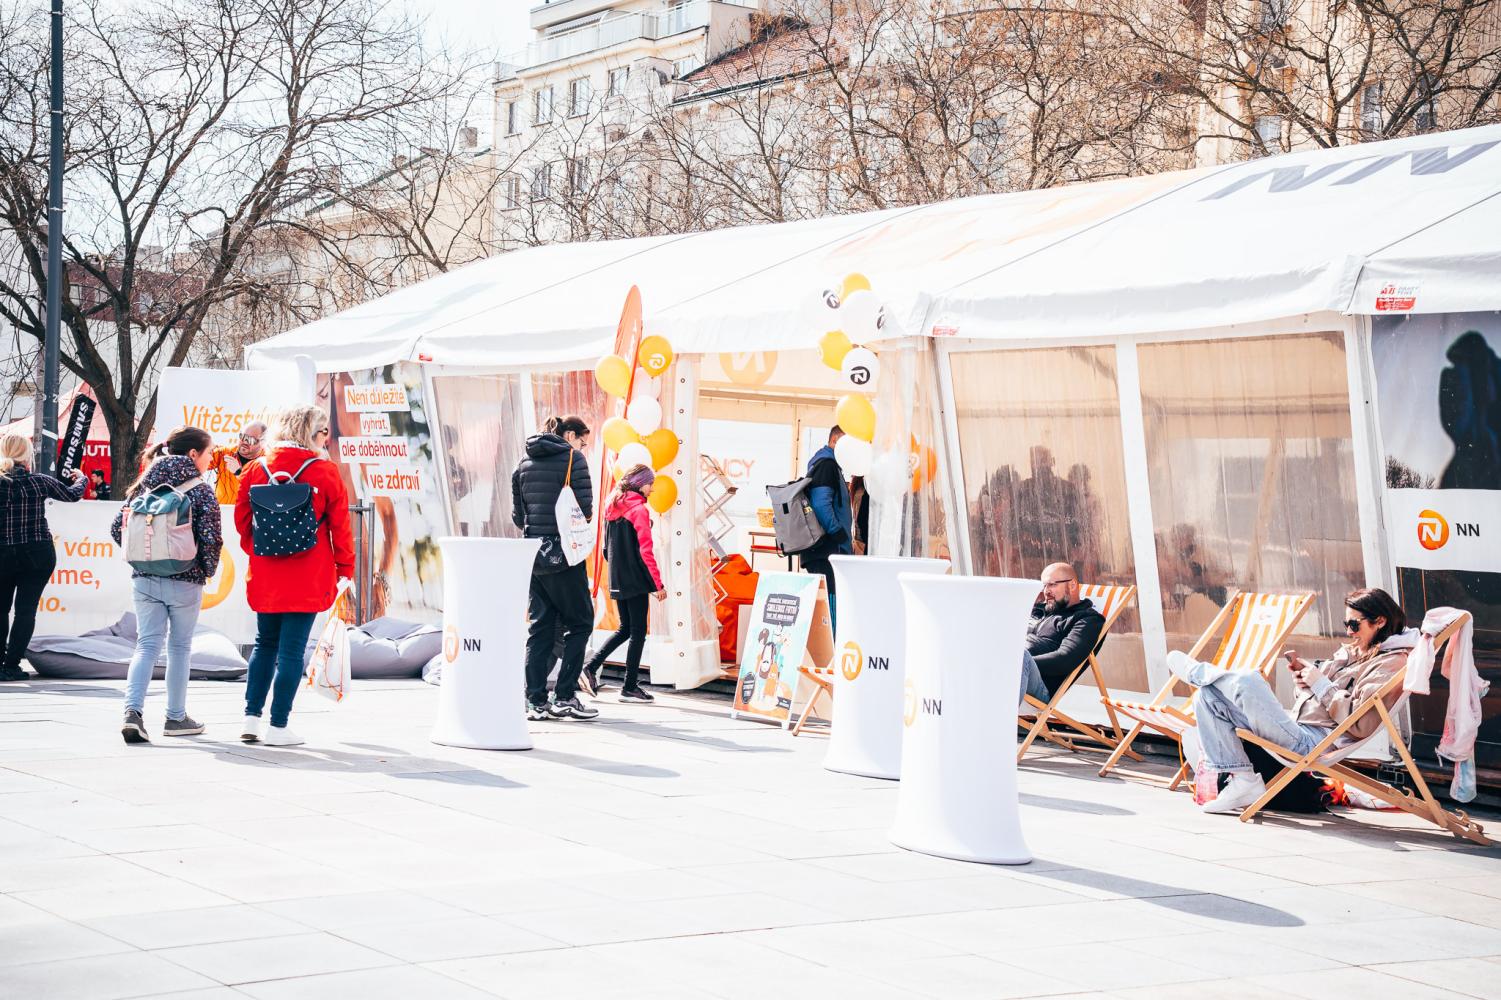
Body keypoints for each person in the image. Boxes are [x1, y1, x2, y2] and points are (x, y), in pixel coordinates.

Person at [1178, 587, 1414, 815]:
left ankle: (1199, 673)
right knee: (1206, 696)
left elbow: (1361, 723)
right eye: (1346, 624)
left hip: (1314, 743)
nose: (1349, 632)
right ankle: (1243, 780)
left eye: (1354, 624)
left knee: (1249, 680)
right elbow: (1320, 699)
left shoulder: (1390, 663)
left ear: (1380, 621)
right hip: (1297, 727)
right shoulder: (1354, 652)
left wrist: (1320, 684)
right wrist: (1305, 685)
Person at [234, 406, 354, 747]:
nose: (326, 439)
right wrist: (345, 570)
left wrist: (260, 550)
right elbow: (341, 528)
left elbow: (242, 521)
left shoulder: (256, 469)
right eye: (323, 432)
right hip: (309, 574)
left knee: (264, 645)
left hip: (266, 573)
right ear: (311, 434)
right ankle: (278, 726)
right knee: (291, 652)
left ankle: (250, 719)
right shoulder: (325, 472)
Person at [109, 426, 222, 743]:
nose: (211, 460)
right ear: (193, 454)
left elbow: (117, 527)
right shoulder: (200, 491)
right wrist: (205, 570)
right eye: (210, 453)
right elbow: (211, 539)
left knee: (146, 645)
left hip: (144, 579)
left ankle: (132, 713)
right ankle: (175, 717)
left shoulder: (144, 485)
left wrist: (143, 557)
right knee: (179, 647)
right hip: (185, 579)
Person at [512, 415, 599, 721]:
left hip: (533, 556)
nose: (582, 447)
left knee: (540, 628)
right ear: (570, 434)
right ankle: (564, 696)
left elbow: (518, 516)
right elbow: (585, 511)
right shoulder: (574, 459)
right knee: (581, 623)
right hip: (565, 554)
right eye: (582, 441)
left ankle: (534, 700)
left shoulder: (524, 462)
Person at [0, 434, 87, 681]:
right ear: (27, 454)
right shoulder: (40, 481)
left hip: (3, 551)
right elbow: (72, 495)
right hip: (37, 552)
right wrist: (82, 478)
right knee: (26, 610)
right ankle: (11, 666)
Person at [580, 464, 664, 703]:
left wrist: (619, 572)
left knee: (625, 628)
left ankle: (590, 668)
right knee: (638, 632)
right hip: (636, 578)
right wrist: (657, 584)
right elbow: (646, 551)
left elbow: (606, 550)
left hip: (617, 576)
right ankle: (629, 687)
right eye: (650, 485)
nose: (652, 490)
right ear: (641, 484)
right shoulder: (639, 510)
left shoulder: (611, 505)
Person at [1018, 562, 1104, 708]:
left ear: (1072, 585)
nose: (1046, 591)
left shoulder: (1087, 619)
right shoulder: (1037, 610)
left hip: (1038, 688)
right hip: (1012, 671)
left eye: (1052, 585)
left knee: (1022, 657)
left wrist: (1019, 662)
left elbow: (1065, 659)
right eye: (1044, 586)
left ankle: (999, 721)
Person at [800, 425, 853, 624]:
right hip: (827, 550)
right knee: (830, 607)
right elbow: (821, 504)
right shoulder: (827, 465)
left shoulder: (824, 464)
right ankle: (831, 643)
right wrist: (838, 533)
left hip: (822, 550)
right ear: (835, 441)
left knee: (825, 606)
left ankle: (825, 643)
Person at [207, 422, 267, 505]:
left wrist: (239, 472)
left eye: (251, 440)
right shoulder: (225, 453)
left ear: (262, 442)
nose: (245, 442)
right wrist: (205, 448)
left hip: (250, 511)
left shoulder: (266, 461)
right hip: (224, 510)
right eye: (242, 436)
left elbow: (261, 492)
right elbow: (197, 463)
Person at [849, 475, 870, 555]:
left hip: (859, 541)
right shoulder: (864, 493)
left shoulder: (856, 490)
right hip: (863, 543)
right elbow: (861, 520)